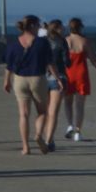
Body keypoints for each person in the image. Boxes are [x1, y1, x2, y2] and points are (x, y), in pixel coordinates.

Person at [3, 16, 56, 155]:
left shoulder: (14, 44)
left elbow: (9, 65)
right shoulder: (42, 43)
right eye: (38, 25)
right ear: (32, 25)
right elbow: (50, 62)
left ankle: (25, 147)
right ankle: (38, 134)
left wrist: (6, 81)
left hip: (20, 80)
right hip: (37, 78)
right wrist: (58, 78)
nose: (39, 27)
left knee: (23, 114)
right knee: (42, 112)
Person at [38, 19, 71, 152]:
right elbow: (67, 61)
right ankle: (48, 140)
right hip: (59, 77)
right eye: (62, 27)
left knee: (44, 111)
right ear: (57, 29)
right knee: (53, 112)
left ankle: (41, 135)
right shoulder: (62, 42)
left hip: (42, 78)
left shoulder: (42, 41)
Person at [61, 17, 94, 141]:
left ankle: (70, 125)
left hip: (68, 74)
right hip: (81, 74)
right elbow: (93, 60)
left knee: (67, 102)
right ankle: (78, 132)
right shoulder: (84, 41)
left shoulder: (65, 40)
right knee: (80, 105)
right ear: (80, 27)